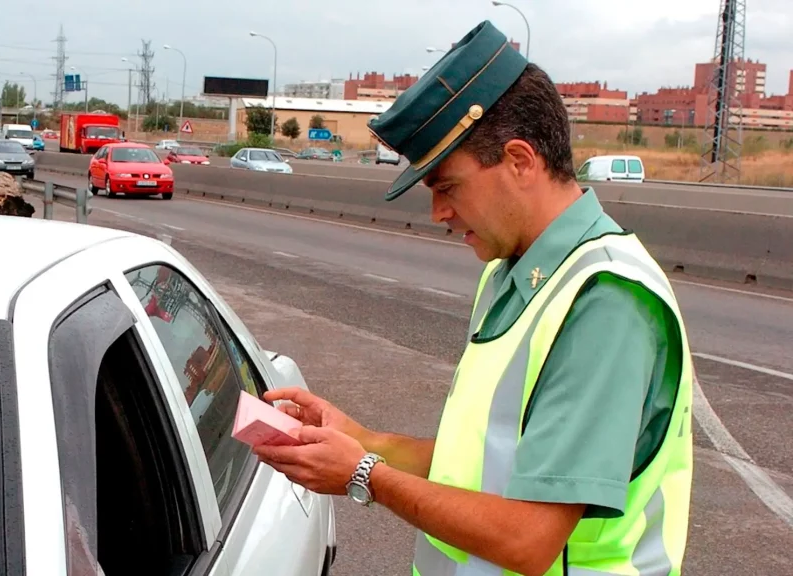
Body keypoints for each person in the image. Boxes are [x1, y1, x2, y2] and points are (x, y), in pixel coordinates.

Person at [253, 20, 694, 576]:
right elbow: (488, 465)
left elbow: (530, 540)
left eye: (448, 186)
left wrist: (365, 473)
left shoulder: (603, 301)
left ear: (520, 161)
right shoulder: (510, 274)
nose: (437, 212)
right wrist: (363, 440)